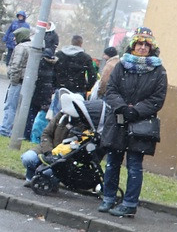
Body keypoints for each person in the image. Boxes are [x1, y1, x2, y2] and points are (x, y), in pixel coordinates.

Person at [98, 27, 168, 217]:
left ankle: (129, 204)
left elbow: (157, 99)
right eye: (139, 43)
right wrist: (122, 107)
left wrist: (136, 111)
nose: (143, 47)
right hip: (118, 121)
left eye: (147, 44)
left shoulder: (159, 71)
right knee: (112, 162)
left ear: (152, 48)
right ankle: (108, 197)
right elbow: (111, 90)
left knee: (134, 166)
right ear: (133, 45)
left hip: (140, 125)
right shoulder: (120, 66)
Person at [20, 92, 98, 184]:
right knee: (28, 158)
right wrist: (49, 151)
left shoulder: (83, 124)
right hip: (47, 148)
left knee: (49, 172)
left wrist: (58, 156)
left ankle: (49, 182)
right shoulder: (61, 116)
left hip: (63, 157)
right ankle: (31, 178)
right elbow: (46, 133)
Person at [24, 22, 60, 139]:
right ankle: (39, 137)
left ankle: (27, 134)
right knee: (43, 116)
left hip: (37, 91)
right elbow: (55, 79)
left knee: (31, 113)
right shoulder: (54, 65)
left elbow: (35, 77)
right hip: (47, 93)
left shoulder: (39, 63)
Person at [52, 35, 98, 113]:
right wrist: (87, 87)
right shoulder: (85, 57)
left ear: (71, 42)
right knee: (76, 114)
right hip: (78, 90)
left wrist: (54, 84)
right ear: (81, 44)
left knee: (57, 114)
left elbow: (54, 71)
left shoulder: (60, 54)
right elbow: (92, 75)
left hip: (61, 88)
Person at [0, 27, 32, 137]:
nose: (14, 39)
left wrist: (13, 80)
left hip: (17, 82)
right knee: (20, 109)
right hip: (27, 83)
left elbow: (16, 66)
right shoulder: (32, 47)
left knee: (10, 106)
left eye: (15, 37)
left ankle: (5, 130)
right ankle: (16, 132)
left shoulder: (20, 47)